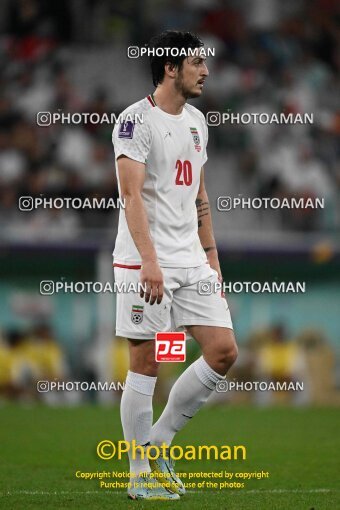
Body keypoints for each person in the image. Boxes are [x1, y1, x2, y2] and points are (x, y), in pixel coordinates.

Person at [112, 30, 238, 501]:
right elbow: (131, 196)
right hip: (144, 261)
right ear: (170, 68)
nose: (205, 71)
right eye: (197, 63)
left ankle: (160, 439)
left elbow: (200, 197)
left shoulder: (197, 122)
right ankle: (139, 472)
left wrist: (212, 258)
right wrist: (149, 262)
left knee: (223, 350)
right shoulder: (133, 121)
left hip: (191, 260)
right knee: (147, 363)